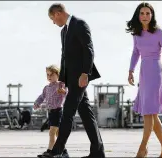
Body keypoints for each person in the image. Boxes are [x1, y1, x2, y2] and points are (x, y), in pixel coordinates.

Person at [43, 3, 105, 158]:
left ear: (58, 13)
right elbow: (65, 57)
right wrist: (62, 80)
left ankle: (57, 151)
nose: (53, 22)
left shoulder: (80, 24)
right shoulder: (64, 32)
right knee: (86, 114)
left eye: (52, 18)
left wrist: (85, 73)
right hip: (70, 79)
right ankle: (98, 152)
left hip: (80, 78)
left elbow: (89, 49)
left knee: (68, 112)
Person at [126, 2, 162, 158]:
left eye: (148, 13)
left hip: (156, 73)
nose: (145, 16)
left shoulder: (159, 32)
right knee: (151, 114)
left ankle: (142, 148)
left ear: (152, 15)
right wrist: (130, 70)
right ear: (138, 15)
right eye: (142, 13)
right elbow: (135, 53)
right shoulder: (136, 34)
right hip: (144, 73)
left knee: (148, 112)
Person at [33, 65, 68, 158]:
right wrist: (37, 103)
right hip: (51, 112)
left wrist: (63, 92)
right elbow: (42, 96)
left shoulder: (61, 84)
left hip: (58, 111)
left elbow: (67, 93)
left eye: (51, 74)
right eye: (47, 74)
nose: (49, 76)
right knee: (57, 133)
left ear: (57, 74)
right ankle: (63, 152)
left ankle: (50, 151)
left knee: (52, 132)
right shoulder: (46, 88)